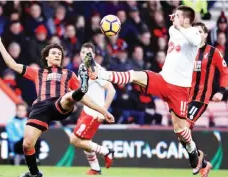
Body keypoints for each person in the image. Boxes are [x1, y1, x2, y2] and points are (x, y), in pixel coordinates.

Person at [86, 5, 202, 170]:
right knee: (134, 75)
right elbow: (176, 28)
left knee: (180, 130)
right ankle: (100, 74)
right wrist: (177, 24)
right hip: (163, 79)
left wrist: (179, 26)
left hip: (180, 89)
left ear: (185, 19)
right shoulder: (173, 30)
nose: (173, 17)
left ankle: (191, 149)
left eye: (177, 15)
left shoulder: (194, 33)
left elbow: (196, 41)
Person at [0, 32, 114, 177]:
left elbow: (86, 99)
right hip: (40, 108)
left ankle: (81, 88)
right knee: (27, 144)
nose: (57, 55)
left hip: (59, 104)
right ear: (47, 57)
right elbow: (12, 64)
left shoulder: (69, 74)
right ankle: (35, 173)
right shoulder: (37, 72)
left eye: (59, 54)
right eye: (54, 53)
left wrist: (103, 111)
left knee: (69, 97)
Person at [186, 22, 228, 177]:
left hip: (200, 98)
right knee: (180, 131)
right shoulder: (186, 51)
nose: (196, 35)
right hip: (184, 97)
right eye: (193, 32)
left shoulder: (213, 52)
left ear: (205, 34)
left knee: (183, 126)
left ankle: (200, 158)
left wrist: (221, 91)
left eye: (199, 32)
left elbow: (225, 72)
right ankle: (203, 163)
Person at [70, 43, 116, 175]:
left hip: (95, 113)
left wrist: (104, 111)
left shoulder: (96, 70)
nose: (85, 55)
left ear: (94, 56)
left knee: (74, 140)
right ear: (80, 54)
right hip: (87, 110)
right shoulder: (82, 67)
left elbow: (111, 90)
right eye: (83, 52)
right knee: (85, 141)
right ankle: (95, 168)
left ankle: (106, 151)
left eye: (88, 53)